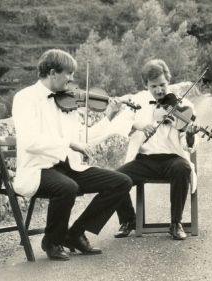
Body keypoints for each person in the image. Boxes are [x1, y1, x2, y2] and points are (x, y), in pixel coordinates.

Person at [12, 49, 133, 261]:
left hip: (69, 167)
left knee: (121, 182)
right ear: (52, 72)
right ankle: (52, 241)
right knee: (67, 187)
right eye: (68, 73)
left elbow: (82, 139)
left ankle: (75, 233)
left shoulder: (67, 103)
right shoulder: (25, 98)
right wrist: (68, 143)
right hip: (38, 168)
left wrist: (109, 117)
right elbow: (29, 140)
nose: (72, 79)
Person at [109, 59, 201, 240]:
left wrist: (190, 135)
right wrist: (138, 124)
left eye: (162, 85)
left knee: (182, 168)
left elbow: (188, 144)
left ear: (169, 80)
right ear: (146, 85)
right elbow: (118, 122)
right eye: (153, 87)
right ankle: (129, 220)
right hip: (143, 160)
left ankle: (176, 223)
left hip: (172, 159)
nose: (159, 90)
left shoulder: (184, 105)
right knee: (114, 179)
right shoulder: (137, 100)